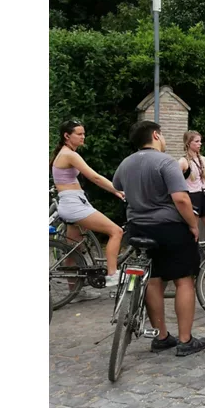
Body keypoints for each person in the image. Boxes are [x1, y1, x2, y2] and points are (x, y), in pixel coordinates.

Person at [112, 121, 205, 355]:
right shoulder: (166, 162)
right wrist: (193, 225)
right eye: (162, 135)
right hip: (168, 228)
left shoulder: (125, 163)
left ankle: (161, 336)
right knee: (184, 279)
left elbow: (118, 188)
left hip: (137, 227)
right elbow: (182, 199)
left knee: (153, 279)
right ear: (156, 135)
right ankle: (185, 340)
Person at [50, 120, 125, 297]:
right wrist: (116, 190)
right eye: (79, 134)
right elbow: (95, 177)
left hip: (69, 203)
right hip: (74, 205)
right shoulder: (70, 155)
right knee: (116, 231)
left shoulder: (63, 153)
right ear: (67, 136)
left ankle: (73, 292)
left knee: (72, 251)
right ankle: (113, 275)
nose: (83, 136)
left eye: (84, 133)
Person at [178, 131, 205, 239]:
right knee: (193, 232)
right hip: (193, 196)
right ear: (188, 143)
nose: (199, 144)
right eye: (196, 141)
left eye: (200, 141)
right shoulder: (183, 161)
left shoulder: (203, 159)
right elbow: (176, 181)